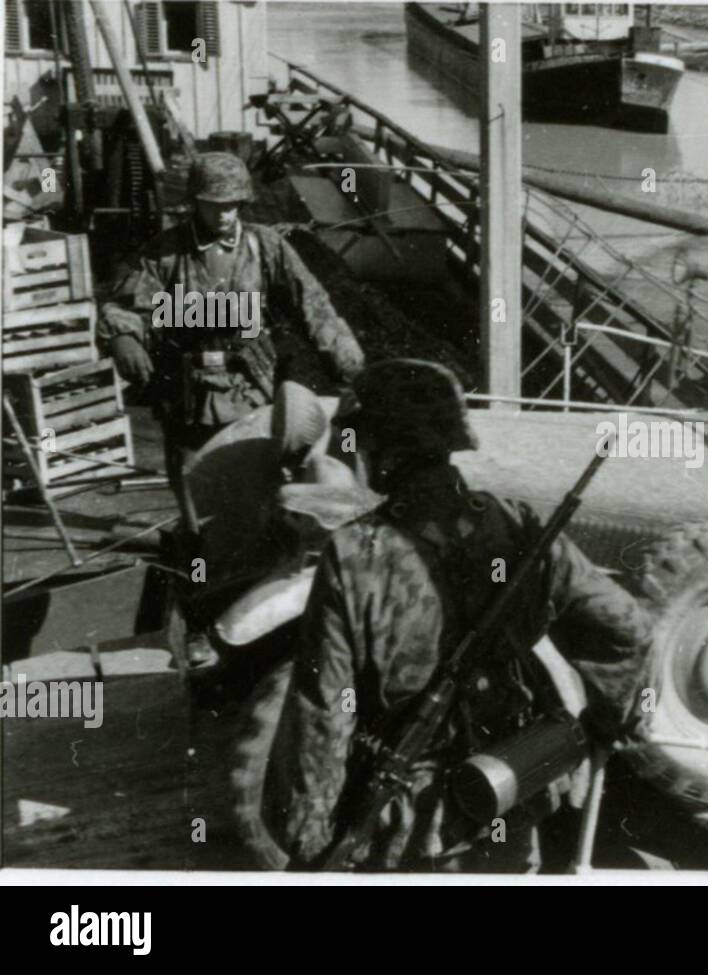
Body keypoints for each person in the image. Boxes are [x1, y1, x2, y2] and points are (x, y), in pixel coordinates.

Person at [272, 360, 653, 872]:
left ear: (384, 449)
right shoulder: (519, 526)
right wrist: (606, 722)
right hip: (508, 790)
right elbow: (626, 630)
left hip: (401, 825)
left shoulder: (353, 555)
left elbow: (324, 710)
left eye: (359, 441)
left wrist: (311, 834)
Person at [99, 152, 365, 502]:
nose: (224, 214)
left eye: (232, 204)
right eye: (213, 205)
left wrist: (349, 363)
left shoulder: (267, 246)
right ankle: (198, 543)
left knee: (256, 468)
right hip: (187, 386)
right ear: (195, 202)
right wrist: (123, 336)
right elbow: (127, 304)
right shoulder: (163, 252)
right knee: (194, 475)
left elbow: (314, 306)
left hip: (251, 380)